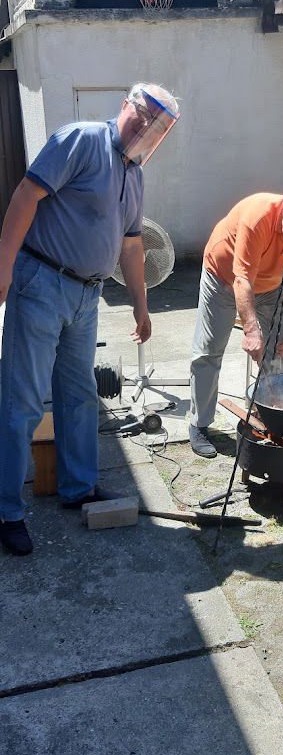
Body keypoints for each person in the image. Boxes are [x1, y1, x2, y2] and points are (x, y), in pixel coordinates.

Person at [0, 82, 180, 556]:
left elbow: (132, 246)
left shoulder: (134, 176)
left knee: (79, 395)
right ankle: (7, 510)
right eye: (141, 115)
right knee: (22, 402)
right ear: (124, 106)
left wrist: (141, 305)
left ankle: (77, 488)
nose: (145, 129)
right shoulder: (80, 139)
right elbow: (25, 196)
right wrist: (3, 265)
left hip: (88, 296)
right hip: (40, 282)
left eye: (156, 127)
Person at [189, 187, 283, 458]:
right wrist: (251, 329)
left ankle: (273, 417)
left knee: (281, 354)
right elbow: (242, 279)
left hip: (272, 286)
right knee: (208, 352)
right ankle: (199, 424)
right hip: (223, 278)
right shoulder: (258, 217)